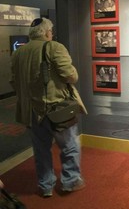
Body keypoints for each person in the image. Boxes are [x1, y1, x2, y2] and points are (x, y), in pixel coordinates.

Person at [10, 17, 88, 198]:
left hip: (31, 112)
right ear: (46, 32)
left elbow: (14, 82)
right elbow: (70, 76)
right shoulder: (54, 47)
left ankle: (45, 186)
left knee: (40, 149)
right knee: (69, 146)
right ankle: (70, 182)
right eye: (51, 31)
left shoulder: (18, 53)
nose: (51, 33)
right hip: (56, 110)